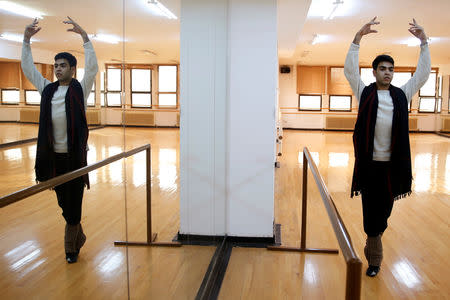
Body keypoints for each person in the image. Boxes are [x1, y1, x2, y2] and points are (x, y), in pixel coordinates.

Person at [344, 17, 430, 277]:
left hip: (393, 168)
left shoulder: (402, 95)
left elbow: (423, 74)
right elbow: (350, 70)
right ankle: (375, 261)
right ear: (375, 72)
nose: (387, 72)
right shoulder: (365, 93)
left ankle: (373, 239)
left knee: (383, 214)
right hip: (370, 167)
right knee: (371, 215)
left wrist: (424, 42)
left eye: (390, 69)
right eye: (382, 68)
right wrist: (357, 37)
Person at [21, 17, 98, 263]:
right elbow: (28, 69)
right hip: (53, 159)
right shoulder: (48, 90)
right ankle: (79, 235)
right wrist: (25, 41)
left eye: (62, 65)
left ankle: (70, 249)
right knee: (65, 204)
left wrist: (85, 36)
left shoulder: (79, 89)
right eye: (56, 66)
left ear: (72, 69)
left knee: (74, 203)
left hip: (75, 158)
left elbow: (94, 67)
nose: (57, 69)